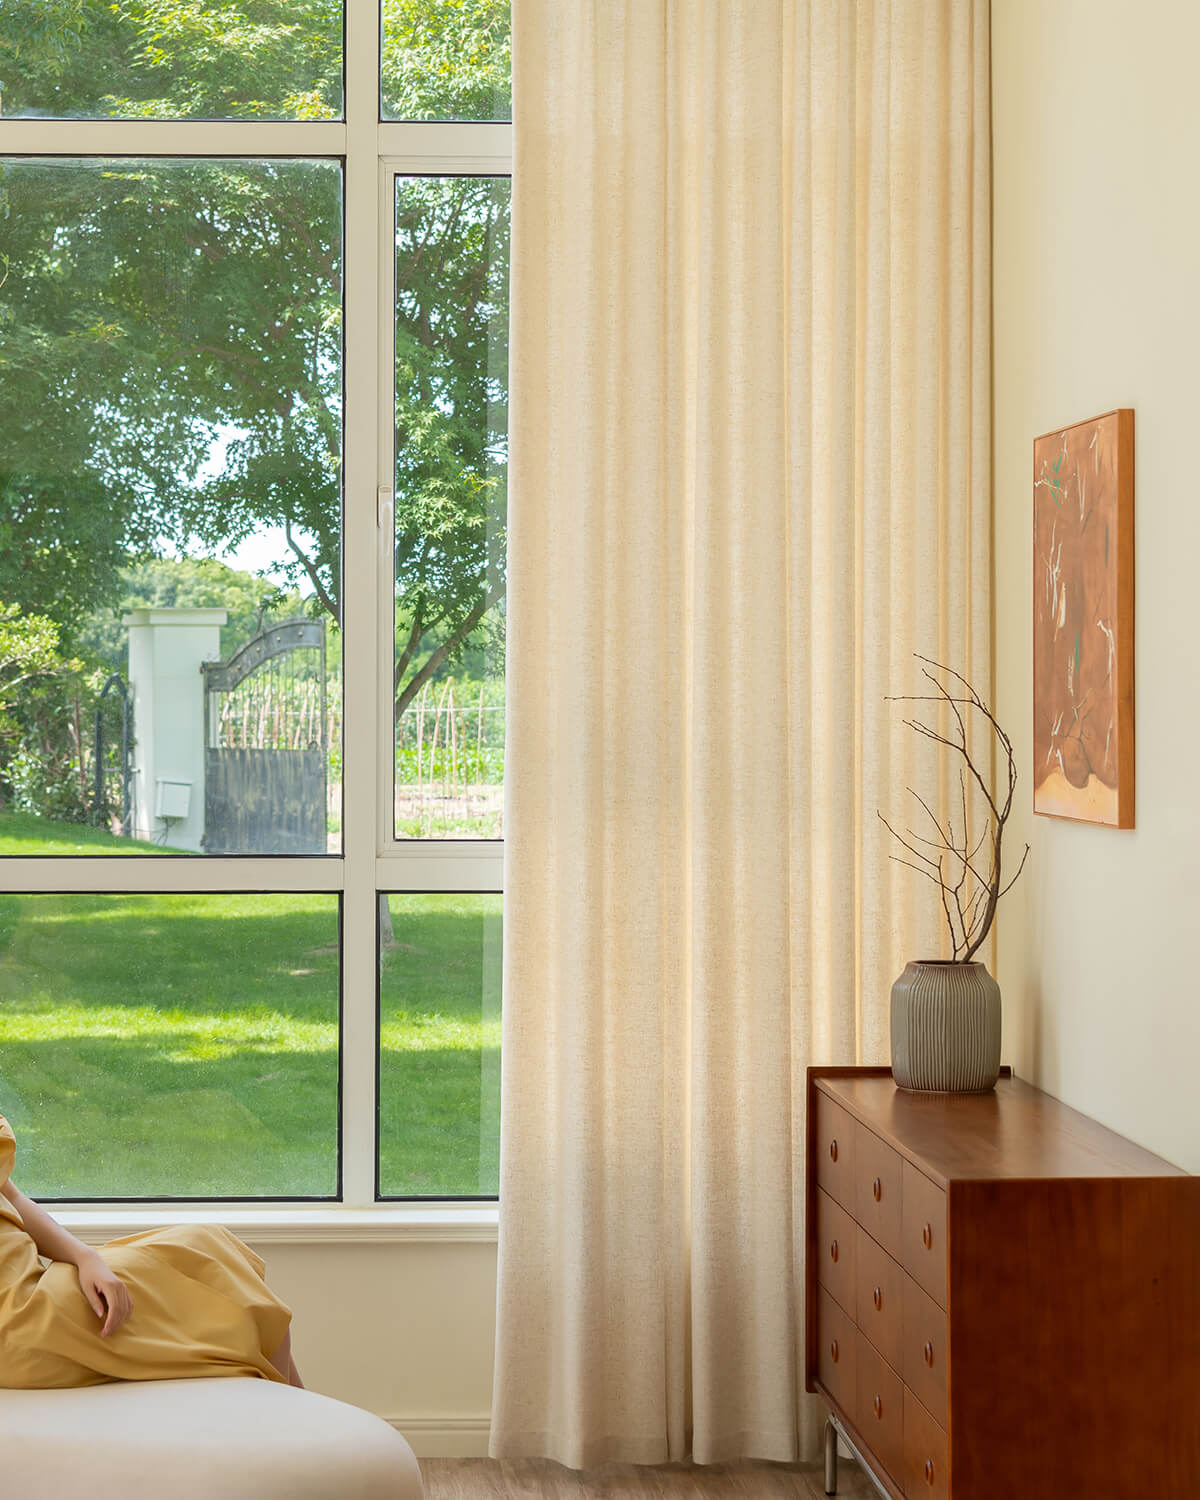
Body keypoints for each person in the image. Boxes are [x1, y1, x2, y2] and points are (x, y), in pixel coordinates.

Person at [0, 1114, 302, 1390]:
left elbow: (11, 1195)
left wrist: (86, 1257)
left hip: (33, 1288)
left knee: (213, 1252)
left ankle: (305, 1432)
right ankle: (304, 1436)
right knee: (245, 1303)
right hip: (21, 1321)